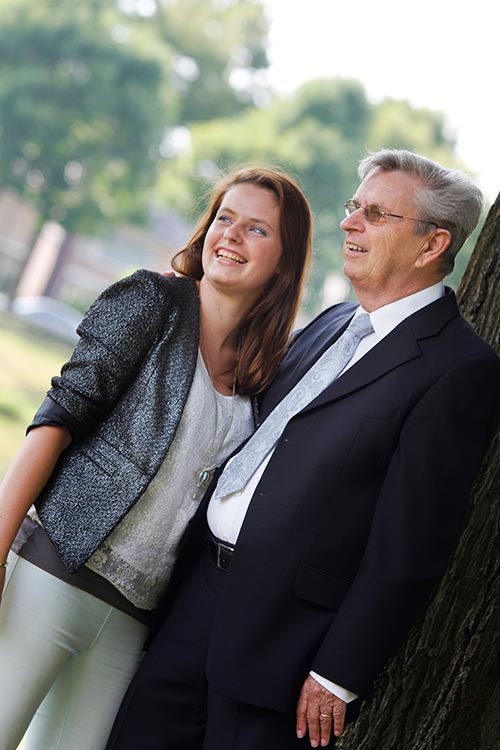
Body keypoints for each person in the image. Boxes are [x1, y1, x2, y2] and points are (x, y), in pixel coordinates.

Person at [107, 149, 500, 750]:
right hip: (195, 602)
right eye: (352, 207)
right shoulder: (331, 322)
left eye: (374, 213)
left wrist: (339, 673)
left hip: (285, 651)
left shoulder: (460, 368)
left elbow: (411, 545)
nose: (348, 224)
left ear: (430, 245)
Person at [0, 165, 313, 750]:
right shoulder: (154, 302)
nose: (231, 236)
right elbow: (55, 420)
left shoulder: (264, 376)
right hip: (52, 577)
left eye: (257, 230)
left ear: (286, 261)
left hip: (133, 623)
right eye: (225, 219)